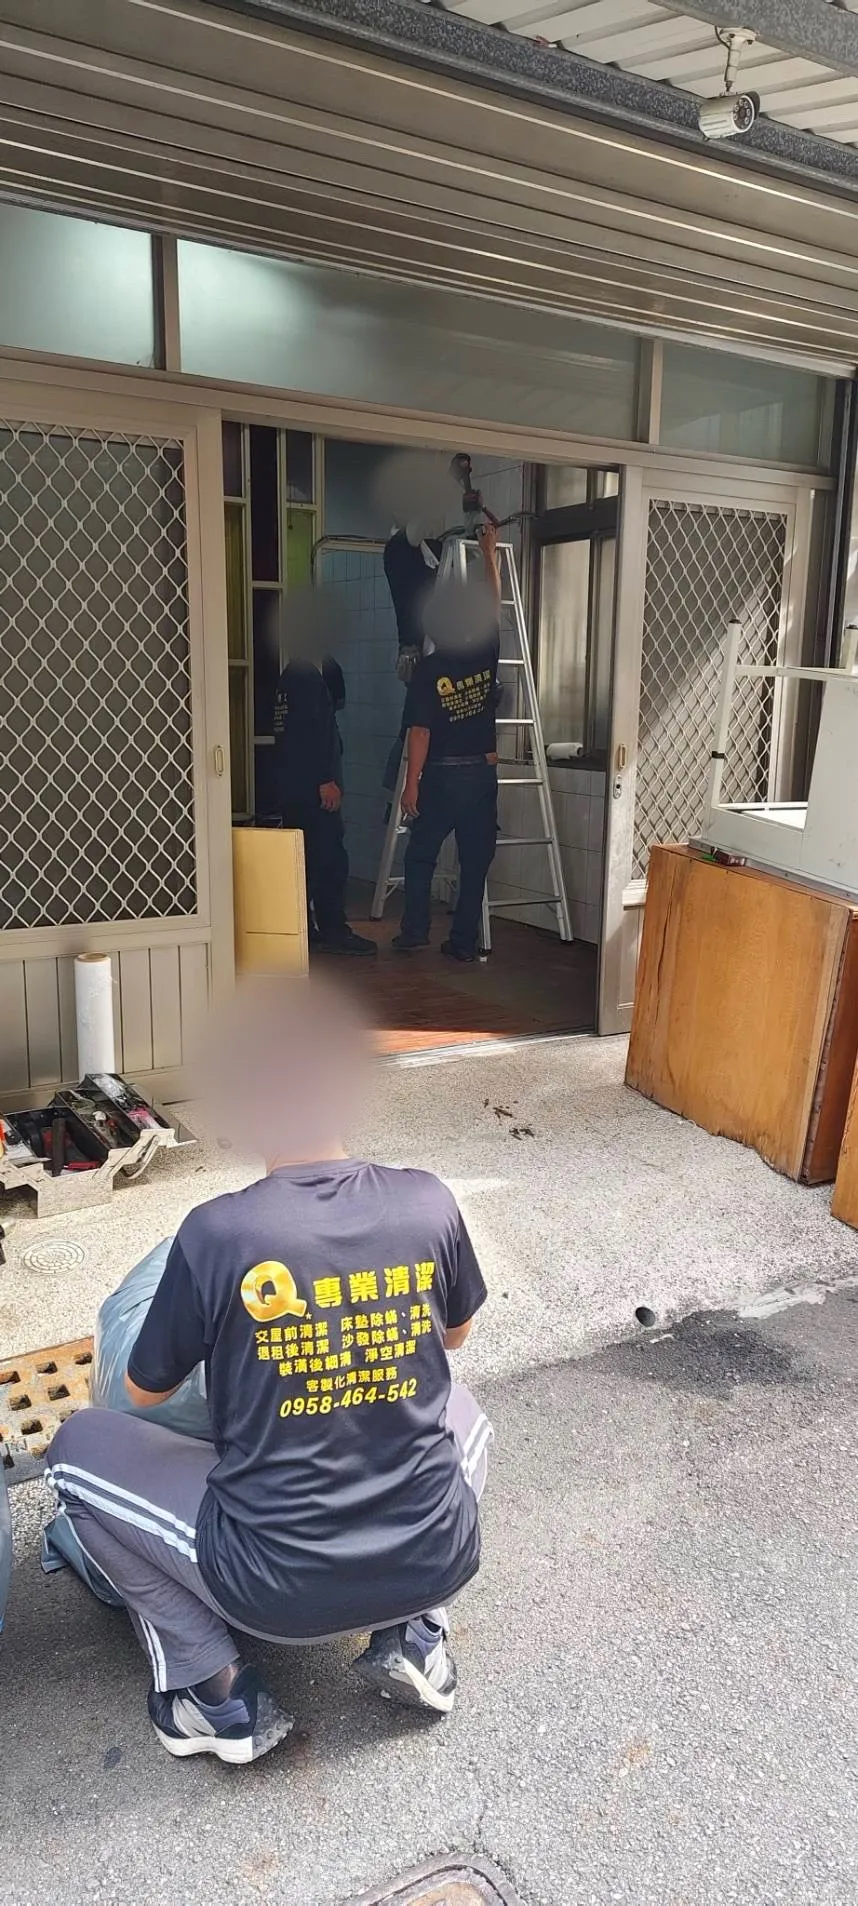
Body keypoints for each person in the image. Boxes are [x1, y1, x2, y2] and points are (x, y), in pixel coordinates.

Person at [43, 976, 492, 1765]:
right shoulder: (429, 1201)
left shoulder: (219, 1234)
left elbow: (142, 1391)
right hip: (439, 1555)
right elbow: (453, 1338)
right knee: (468, 1410)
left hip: (270, 1587)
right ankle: (418, 1635)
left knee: (75, 1451)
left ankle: (212, 1692)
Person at [392, 523, 502, 964]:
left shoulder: (429, 670)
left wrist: (411, 785)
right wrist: (489, 554)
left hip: (440, 776)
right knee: (475, 863)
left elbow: (420, 731)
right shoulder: (484, 652)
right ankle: (462, 942)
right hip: (481, 775)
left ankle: (415, 931)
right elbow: (493, 606)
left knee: (421, 857)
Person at [273, 651, 376, 957]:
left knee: (304, 861)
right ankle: (334, 930)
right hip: (313, 790)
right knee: (329, 860)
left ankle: (304, 927)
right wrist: (325, 779)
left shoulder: (289, 678)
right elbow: (310, 733)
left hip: (293, 787)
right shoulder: (306, 679)